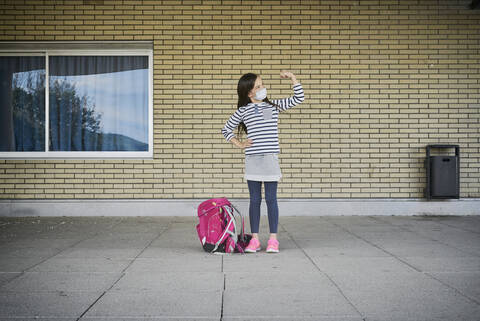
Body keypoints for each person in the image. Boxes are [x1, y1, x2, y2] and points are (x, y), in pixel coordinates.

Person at [221, 71, 304, 253]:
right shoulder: (243, 111)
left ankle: (273, 239)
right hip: (253, 161)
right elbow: (226, 129)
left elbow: (299, 98)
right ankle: (255, 240)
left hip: (270, 160)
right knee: (255, 200)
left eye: (262, 84)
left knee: (271, 199)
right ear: (249, 93)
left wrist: (293, 79)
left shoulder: (273, 106)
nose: (262, 88)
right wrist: (240, 144)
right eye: (258, 87)